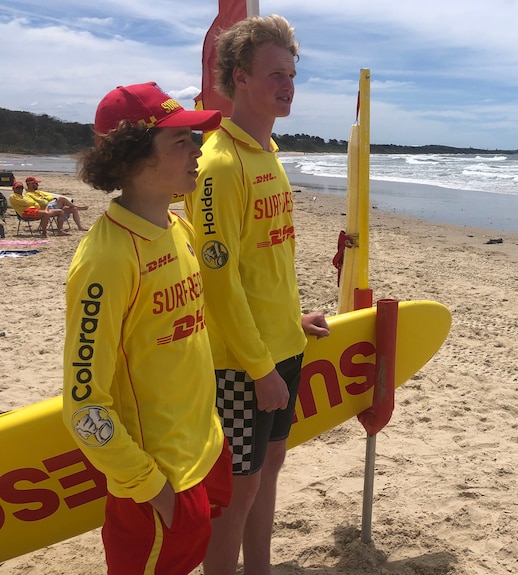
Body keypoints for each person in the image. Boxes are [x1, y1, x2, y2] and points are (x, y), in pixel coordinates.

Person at [63, 81, 233, 575]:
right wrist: (153, 491)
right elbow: (84, 406)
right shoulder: (107, 261)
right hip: (158, 482)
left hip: (203, 450)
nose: (197, 151)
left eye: (195, 140)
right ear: (131, 157)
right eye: (179, 142)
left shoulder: (176, 229)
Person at [183, 15, 329, 575]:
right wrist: (259, 367)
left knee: (270, 474)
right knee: (235, 498)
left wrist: (295, 318)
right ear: (240, 77)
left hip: (283, 348)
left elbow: (266, 265)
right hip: (241, 365)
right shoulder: (220, 164)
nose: (287, 86)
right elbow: (219, 282)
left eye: (292, 75)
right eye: (275, 75)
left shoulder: (267, 153)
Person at [24, 175, 89, 231]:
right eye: (35, 183)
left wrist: (47, 199)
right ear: (30, 184)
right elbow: (41, 202)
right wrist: (46, 199)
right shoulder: (28, 194)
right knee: (61, 199)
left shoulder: (38, 192)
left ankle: (80, 227)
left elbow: (50, 197)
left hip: (52, 205)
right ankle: (79, 208)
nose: (37, 185)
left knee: (73, 209)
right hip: (45, 209)